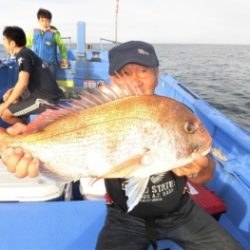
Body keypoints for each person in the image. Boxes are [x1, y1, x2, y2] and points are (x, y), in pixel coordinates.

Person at [1, 41, 242, 249]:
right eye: (125, 74)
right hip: (124, 217)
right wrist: (25, 146)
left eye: (144, 70)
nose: (136, 80)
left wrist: (200, 169)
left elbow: (206, 174)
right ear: (113, 80)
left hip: (180, 211)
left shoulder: (177, 114)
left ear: (157, 74)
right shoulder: (105, 110)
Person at [0, 26, 64, 126]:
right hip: (47, 93)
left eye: (4, 40)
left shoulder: (22, 56)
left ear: (12, 43)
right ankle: (24, 123)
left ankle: (28, 134)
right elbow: (25, 80)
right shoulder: (26, 52)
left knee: (5, 114)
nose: (3, 44)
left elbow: (23, 84)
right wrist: (11, 90)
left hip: (45, 99)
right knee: (11, 96)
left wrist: (5, 106)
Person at [26, 8, 69, 76]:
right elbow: (25, 43)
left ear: (50, 21)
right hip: (36, 64)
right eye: (42, 20)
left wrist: (64, 57)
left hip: (50, 65)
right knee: (37, 84)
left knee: (50, 84)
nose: (45, 23)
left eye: (47, 21)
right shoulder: (33, 33)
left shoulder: (54, 34)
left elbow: (62, 46)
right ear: (38, 21)